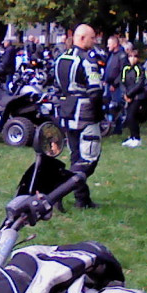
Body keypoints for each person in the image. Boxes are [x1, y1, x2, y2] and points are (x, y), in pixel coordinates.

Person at [53, 23, 104, 208]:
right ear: (82, 38)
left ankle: (82, 200)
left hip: (66, 112)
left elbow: (56, 87)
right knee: (89, 159)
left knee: (76, 157)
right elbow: (95, 91)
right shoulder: (87, 60)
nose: (95, 41)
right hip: (85, 114)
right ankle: (58, 190)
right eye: (92, 38)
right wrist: (99, 115)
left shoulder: (61, 59)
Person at [120, 48, 146, 148]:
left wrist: (130, 94)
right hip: (128, 96)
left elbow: (139, 84)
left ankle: (137, 138)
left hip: (137, 97)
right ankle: (132, 137)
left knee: (132, 116)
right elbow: (122, 82)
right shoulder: (125, 68)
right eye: (130, 57)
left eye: (135, 57)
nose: (132, 59)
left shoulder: (140, 69)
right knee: (128, 117)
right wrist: (125, 94)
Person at [103, 35, 127, 136]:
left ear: (115, 44)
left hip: (116, 87)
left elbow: (122, 72)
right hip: (109, 85)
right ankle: (110, 125)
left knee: (116, 107)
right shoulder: (112, 54)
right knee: (109, 106)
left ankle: (118, 129)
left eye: (109, 43)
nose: (107, 45)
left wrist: (115, 84)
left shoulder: (121, 56)